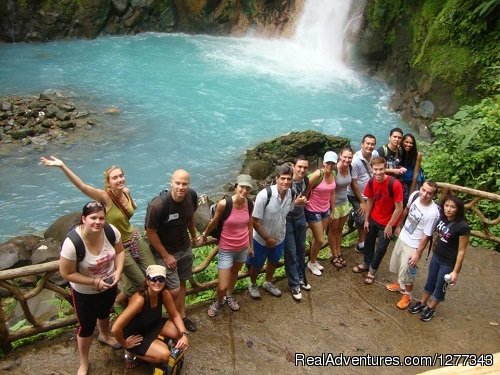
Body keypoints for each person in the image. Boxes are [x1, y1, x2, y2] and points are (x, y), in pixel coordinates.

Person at [40, 156, 156, 304]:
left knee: (154, 273)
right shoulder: (105, 197)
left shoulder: (126, 192)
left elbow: (130, 211)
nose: (119, 179)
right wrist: (62, 166)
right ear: (108, 182)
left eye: (121, 176)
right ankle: (124, 304)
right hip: (119, 246)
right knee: (141, 282)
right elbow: (82, 186)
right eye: (115, 178)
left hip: (134, 238)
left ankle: (124, 296)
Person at [59, 201, 125, 375]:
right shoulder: (72, 243)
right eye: (93, 218)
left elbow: (119, 252)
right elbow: (66, 273)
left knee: (105, 312)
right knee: (86, 327)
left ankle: (105, 335)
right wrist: (94, 282)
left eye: (101, 218)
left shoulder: (111, 232)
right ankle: (83, 362)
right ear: (83, 219)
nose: (97, 222)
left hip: (109, 284)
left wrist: (118, 272)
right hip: (84, 292)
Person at [145, 169, 200, 332]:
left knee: (182, 282)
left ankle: (181, 316)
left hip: (184, 247)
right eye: (178, 183)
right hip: (165, 251)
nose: (181, 187)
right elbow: (150, 232)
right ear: (171, 183)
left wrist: (193, 235)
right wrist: (165, 255)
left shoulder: (192, 196)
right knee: (173, 289)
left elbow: (190, 215)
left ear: (189, 184)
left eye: (184, 184)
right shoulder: (158, 205)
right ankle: (167, 319)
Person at [111, 265, 189, 370]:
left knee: (178, 332)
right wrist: (124, 343)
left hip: (152, 324)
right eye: (154, 279)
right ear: (147, 281)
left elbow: (174, 314)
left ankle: (155, 343)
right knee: (165, 355)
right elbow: (115, 328)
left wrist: (184, 334)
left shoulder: (164, 294)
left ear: (165, 281)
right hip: (135, 335)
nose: (157, 282)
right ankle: (129, 352)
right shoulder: (139, 300)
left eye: (161, 279)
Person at [409, 195, 470, 321]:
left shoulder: (462, 226)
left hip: (448, 262)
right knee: (430, 280)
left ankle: (431, 308)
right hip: (437, 256)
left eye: (452, 207)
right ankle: (422, 302)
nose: (448, 209)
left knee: (440, 285)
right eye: (447, 205)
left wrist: (455, 271)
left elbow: (461, 250)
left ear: (458, 209)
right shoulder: (443, 218)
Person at [200, 174, 254, 316]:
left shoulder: (250, 204)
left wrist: (250, 245)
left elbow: (249, 226)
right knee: (222, 285)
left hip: (242, 247)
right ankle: (219, 300)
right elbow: (214, 221)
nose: (244, 190)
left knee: (234, 273)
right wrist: (204, 233)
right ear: (236, 187)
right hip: (226, 249)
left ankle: (229, 296)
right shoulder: (224, 204)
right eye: (242, 187)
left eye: (247, 188)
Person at [386, 181, 440, 310]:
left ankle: (408, 295)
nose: (425, 194)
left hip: (414, 244)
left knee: (409, 271)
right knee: (398, 263)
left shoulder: (432, 213)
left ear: (433, 196)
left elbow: (426, 236)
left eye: (429, 193)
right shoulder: (415, 195)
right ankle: (400, 284)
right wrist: (398, 225)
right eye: (424, 190)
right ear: (420, 188)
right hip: (404, 236)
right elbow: (406, 210)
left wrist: (417, 253)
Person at [352, 156, 403, 285]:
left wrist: (390, 225)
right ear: (371, 169)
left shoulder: (394, 184)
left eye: (381, 169)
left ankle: (372, 271)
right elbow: (369, 200)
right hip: (374, 218)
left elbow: (399, 207)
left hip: (388, 222)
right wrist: (367, 219)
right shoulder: (371, 182)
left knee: (381, 248)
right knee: (369, 243)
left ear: (385, 168)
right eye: (376, 170)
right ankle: (366, 263)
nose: (378, 172)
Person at [247, 165, 295, 299]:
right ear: (276, 179)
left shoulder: (292, 194)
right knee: (257, 264)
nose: (285, 182)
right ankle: (253, 283)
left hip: (279, 236)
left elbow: (287, 213)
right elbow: (255, 221)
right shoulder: (264, 195)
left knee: (273, 261)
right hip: (261, 239)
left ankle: (268, 282)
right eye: (283, 178)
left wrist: (275, 238)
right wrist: (267, 238)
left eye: (288, 179)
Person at [304, 151, 337, 276]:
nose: (330, 165)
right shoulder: (318, 174)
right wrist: (304, 206)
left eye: (332, 163)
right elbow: (307, 189)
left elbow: (332, 193)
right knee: (320, 239)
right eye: (328, 162)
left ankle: (313, 260)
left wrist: (332, 211)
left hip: (325, 210)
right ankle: (311, 262)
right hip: (313, 210)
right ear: (323, 162)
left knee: (317, 239)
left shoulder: (333, 174)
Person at [283, 156, 311, 301]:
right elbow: (279, 205)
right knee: (291, 252)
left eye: (305, 168)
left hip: (300, 218)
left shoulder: (306, 180)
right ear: (293, 166)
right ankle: (294, 284)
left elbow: (306, 195)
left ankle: (301, 277)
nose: (302, 170)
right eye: (299, 166)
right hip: (286, 221)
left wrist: (302, 204)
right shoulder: (286, 182)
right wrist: (296, 203)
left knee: (301, 250)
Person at [347, 134, 379, 253]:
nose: (370, 146)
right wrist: (361, 202)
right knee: (362, 217)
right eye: (368, 143)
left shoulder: (375, 154)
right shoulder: (355, 161)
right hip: (356, 194)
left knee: (372, 215)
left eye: (372, 144)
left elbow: (377, 170)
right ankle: (361, 244)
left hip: (370, 192)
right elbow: (353, 183)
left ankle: (368, 237)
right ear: (362, 144)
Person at [328, 146, 355, 269]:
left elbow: (352, 184)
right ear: (340, 156)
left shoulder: (350, 168)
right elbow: (330, 191)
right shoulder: (334, 170)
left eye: (350, 157)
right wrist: (331, 210)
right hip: (334, 205)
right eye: (345, 157)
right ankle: (333, 254)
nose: (347, 159)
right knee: (332, 231)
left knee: (339, 229)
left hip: (344, 203)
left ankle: (338, 251)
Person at [401, 133, 424, 206]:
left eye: (411, 143)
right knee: (403, 199)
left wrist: (412, 191)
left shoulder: (417, 155)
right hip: (404, 179)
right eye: (406, 142)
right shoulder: (399, 152)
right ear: (402, 142)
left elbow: (415, 174)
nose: (408, 145)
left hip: (415, 179)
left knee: (412, 198)